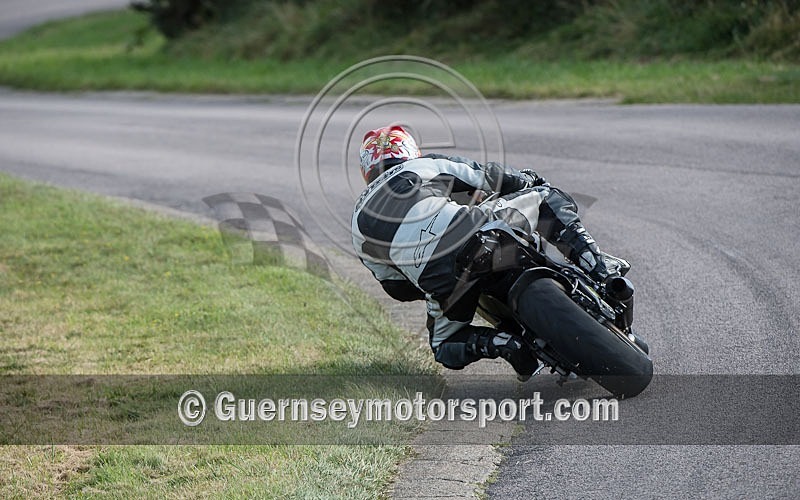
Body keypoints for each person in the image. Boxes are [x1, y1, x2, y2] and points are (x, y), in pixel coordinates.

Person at [351, 125, 627, 379]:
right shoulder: (423, 165)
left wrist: (430, 280)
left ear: (367, 169)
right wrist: (528, 180)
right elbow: (488, 176)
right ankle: (600, 267)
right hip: (477, 235)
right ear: (410, 150)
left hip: (440, 280)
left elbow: (396, 288)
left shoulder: (357, 223)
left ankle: (504, 344)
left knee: (444, 344)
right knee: (546, 197)